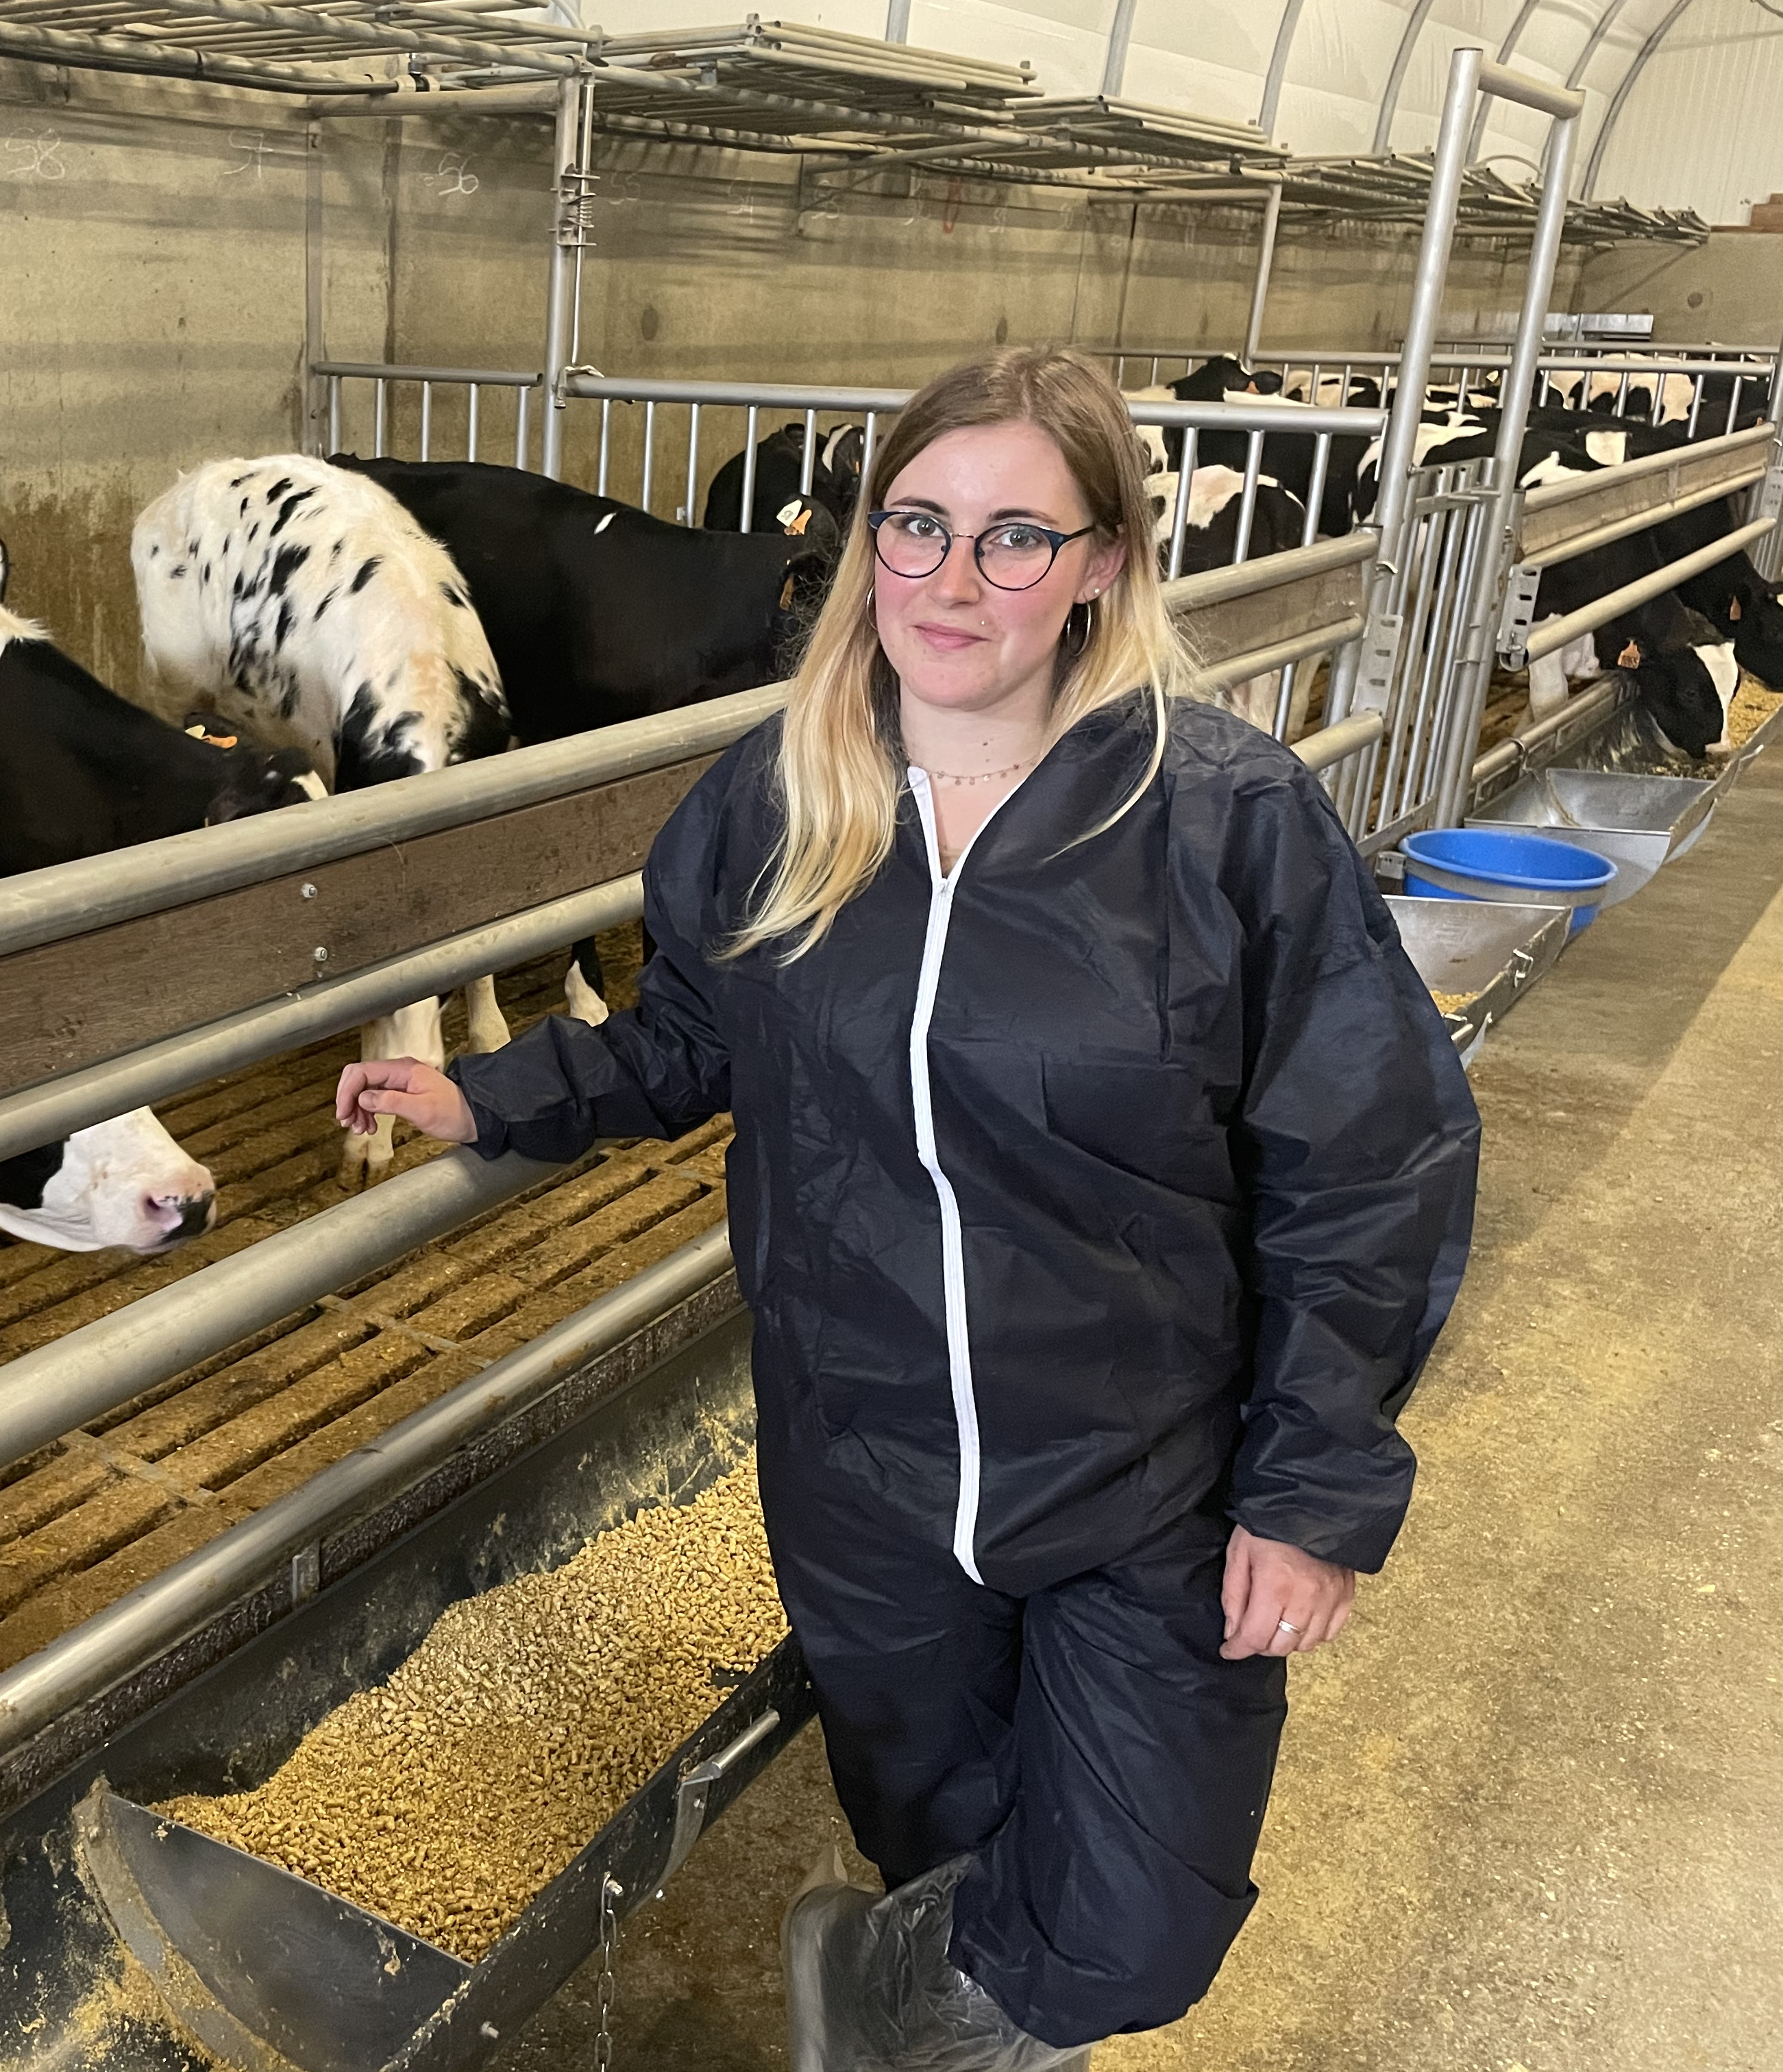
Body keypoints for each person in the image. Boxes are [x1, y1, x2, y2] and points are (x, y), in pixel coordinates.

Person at [333, 347, 1479, 2068]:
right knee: (947, 1846)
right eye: (920, 526)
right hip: (863, 1470)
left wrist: (1312, 1487)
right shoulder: (779, 798)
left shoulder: (1228, 824)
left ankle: (898, 1995)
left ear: (1103, 560)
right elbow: (700, 1034)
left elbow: (1367, 1161)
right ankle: (928, 2012)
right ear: (865, 540)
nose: (955, 580)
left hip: (1142, 1478)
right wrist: (492, 1091)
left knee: (1137, 1920)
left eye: (1019, 536)